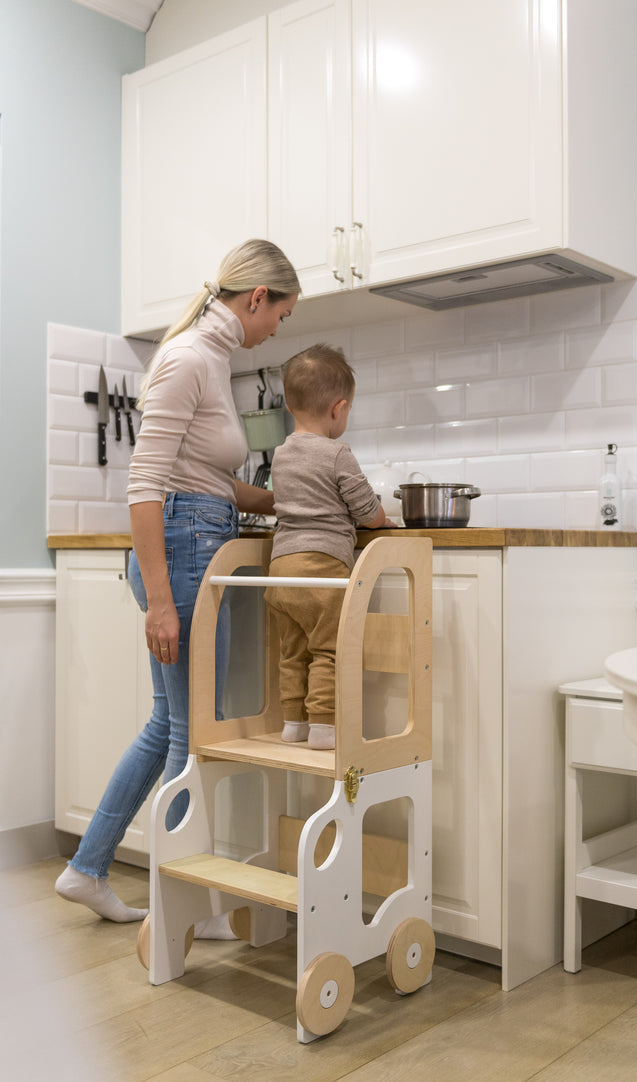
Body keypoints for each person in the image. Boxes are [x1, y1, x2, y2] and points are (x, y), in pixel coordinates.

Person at [55, 239, 300, 927]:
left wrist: (286, 498)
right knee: (193, 734)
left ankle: (88, 867)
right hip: (185, 551)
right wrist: (160, 603)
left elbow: (210, 478)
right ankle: (185, 899)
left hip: (199, 536)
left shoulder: (211, 359)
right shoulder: (192, 358)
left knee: (172, 724)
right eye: (279, 315)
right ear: (257, 299)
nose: (277, 329)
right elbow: (147, 483)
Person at [264, 344, 394, 752]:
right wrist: (381, 520)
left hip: (281, 567)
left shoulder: (281, 455)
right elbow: (364, 507)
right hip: (322, 568)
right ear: (339, 408)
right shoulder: (338, 453)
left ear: (289, 403)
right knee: (329, 649)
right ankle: (323, 726)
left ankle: (292, 724)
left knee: (293, 651)